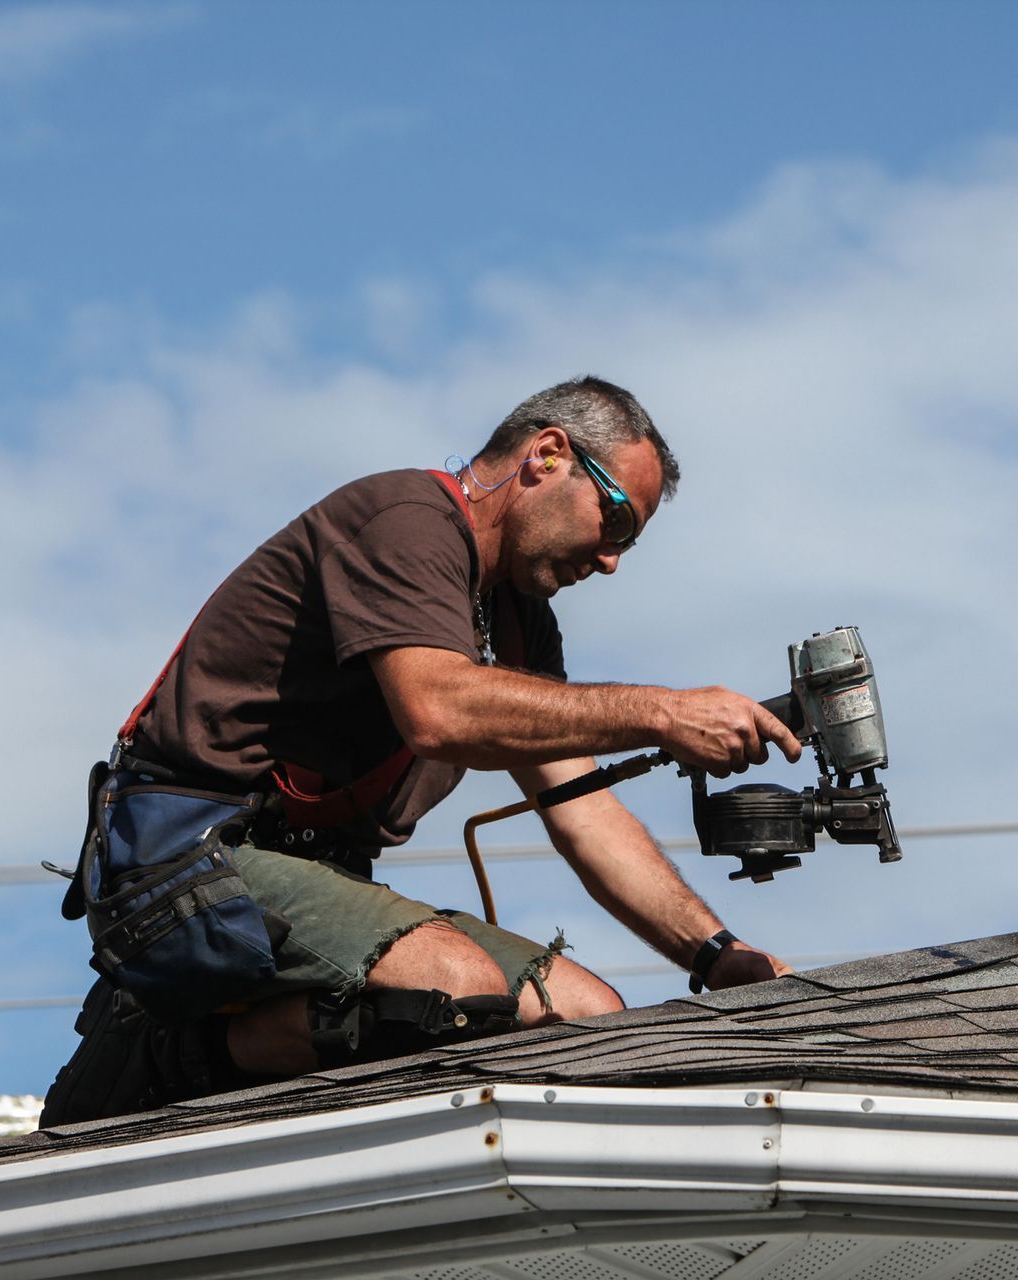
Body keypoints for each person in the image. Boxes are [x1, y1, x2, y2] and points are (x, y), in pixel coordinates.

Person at [41, 376, 800, 1123]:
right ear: (546, 456)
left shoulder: (520, 618)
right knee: (450, 987)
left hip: (306, 875)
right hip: (186, 863)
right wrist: (665, 713)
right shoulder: (407, 521)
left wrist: (715, 954)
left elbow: (583, 809)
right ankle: (159, 1051)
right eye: (617, 522)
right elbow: (437, 710)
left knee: (580, 1016)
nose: (612, 561)